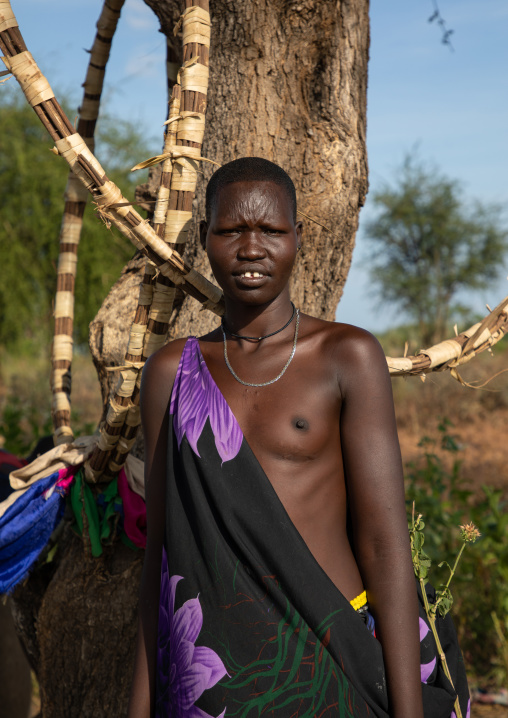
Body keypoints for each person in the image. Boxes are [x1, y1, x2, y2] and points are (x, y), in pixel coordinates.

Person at [128, 158, 469, 718]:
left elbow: (386, 545)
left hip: (334, 655)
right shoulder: (174, 373)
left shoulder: (346, 356)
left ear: (298, 238)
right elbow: (165, 558)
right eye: (232, 230)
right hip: (218, 674)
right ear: (205, 237)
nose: (251, 248)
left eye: (272, 231)